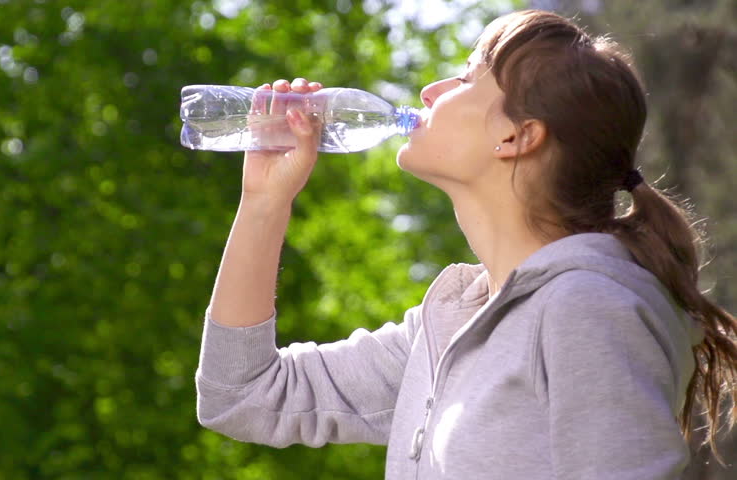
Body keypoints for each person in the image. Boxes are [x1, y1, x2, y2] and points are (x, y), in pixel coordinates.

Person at [195, 9, 737, 479]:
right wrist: (265, 202)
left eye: (467, 77)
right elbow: (239, 396)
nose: (430, 90)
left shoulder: (588, 309)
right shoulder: (449, 326)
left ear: (516, 136)